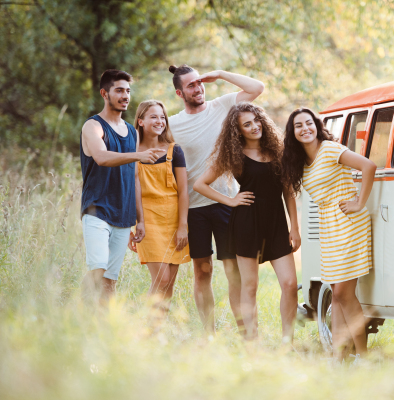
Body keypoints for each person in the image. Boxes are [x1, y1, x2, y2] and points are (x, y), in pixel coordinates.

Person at [168, 64, 265, 333]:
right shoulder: (173, 124)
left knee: (233, 270)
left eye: (199, 83)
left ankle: (246, 333)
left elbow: (257, 88)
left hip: (227, 203)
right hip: (194, 209)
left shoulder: (222, 106)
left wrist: (221, 74)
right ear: (179, 93)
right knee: (203, 271)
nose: (198, 88)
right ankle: (208, 335)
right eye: (191, 85)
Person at [193, 103, 300, 342]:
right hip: (246, 222)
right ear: (238, 131)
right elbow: (200, 184)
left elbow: (288, 192)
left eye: (256, 120)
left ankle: (287, 342)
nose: (254, 127)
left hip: (276, 223)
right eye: (247, 124)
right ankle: (252, 343)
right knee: (249, 287)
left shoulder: (278, 151)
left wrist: (295, 227)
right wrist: (230, 201)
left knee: (290, 283)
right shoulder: (233, 155)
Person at [281, 108, 376, 361]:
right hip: (329, 225)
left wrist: (359, 202)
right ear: (292, 133)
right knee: (336, 294)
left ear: (316, 125)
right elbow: (286, 191)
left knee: (344, 293)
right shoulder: (301, 162)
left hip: (348, 221)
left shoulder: (331, 149)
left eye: (309, 123)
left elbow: (369, 166)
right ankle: (338, 355)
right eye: (298, 125)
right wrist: (294, 227)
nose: (305, 129)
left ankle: (364, 358)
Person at [80, 69, 166, 304]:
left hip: (123, 216)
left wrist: (140, 219)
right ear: (104, 93)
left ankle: (105, 330)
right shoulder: (93, 126)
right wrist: (138, 155)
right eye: (119, 90)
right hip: (97, 210)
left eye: (128, 91)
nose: (125, 95)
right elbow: (101, 157)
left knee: (110, 281)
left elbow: (134, 178)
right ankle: (74, 313)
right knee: (97, 270)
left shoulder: (130, 131)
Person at [127, 100, 190, 313]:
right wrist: (131, 226)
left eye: (162, 117)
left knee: (169, 284)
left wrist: (183, 226)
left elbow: (183, 192)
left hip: (173, 221)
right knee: (161, 279)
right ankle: (143, 325)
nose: (160, 121)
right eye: (154, 117)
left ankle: (157, 333)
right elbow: (127, 192)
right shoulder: (131, 152)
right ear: (141, 121)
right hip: (147, 222)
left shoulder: (174, 151)